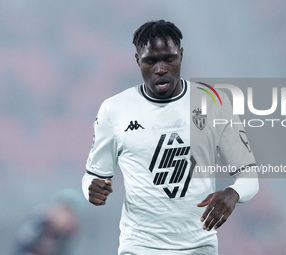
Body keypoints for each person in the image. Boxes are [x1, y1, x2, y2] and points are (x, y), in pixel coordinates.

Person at [82, 20, 259, 255]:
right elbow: (94, 176)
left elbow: (249, 177)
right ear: (137, 61)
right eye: (151, 61)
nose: (161, 69)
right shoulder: (114, 109)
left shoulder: (214, 102)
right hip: (140, 247)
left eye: (168, 58)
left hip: (198, 247)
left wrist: (233, 193)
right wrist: (91, 189)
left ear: (181, 56)